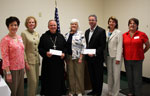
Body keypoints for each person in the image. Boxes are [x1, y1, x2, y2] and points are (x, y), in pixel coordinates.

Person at [38, 20, 66, 96]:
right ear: (48, 27)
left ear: (56, 26)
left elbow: (65, 47)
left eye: (54, 25)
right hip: (48, 62)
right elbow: (40, 48)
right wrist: (45, 53)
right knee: (48, 79)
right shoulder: (44, 36)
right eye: (51, 25)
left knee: (58, 78)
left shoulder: (60, 36)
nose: (53, 27)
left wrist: (64, 53)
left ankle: (59, 92)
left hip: (58, 63)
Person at [123, 18, 150, 96]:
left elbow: (148, 45)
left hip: (138, 60)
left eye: (134, 23)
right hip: (127, 59)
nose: (132, 25)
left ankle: (137, 93)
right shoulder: (124, 35)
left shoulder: (142, 34)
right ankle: (131, 92)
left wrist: (142, 52)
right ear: (128, 25)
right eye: (130, 23)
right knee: (129, 77)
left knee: (137, 78)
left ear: (137, 25)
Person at [0, 16, 25, 96]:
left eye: (16, 25)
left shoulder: (19, 37)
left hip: (21, 68)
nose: (14, 27)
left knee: (20, 91)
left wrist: (23, 66)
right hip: (11, 69)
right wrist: (8, 72)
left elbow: (22, 53)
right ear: (8, 26)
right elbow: (5, 57)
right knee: (12, 91)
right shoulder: (5, 40)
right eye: (12, 25)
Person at [85, 14, 106, 96]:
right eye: (90, 20)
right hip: (89, 58)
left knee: (98, 76)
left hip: (97, 58)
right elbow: (86, 44)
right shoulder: (87, 31)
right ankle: (93, 90)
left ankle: (98, 92)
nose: (91, 21)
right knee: (92, 76)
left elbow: (102, 46)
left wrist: (94, 53)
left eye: (93, 20)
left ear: (96, 21)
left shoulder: (101, 31)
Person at [65, 19, 85, 96]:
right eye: (72, 24)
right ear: (70, 25)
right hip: (69, 57)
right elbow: (65, 46)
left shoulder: (81, 34)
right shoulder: (66, 35)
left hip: (78, 57)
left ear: (77, 25)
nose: (73, 25)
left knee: (79, 74)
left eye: (75, 24)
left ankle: (79, 91)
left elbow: (84, 46)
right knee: (70, 75)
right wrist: (65, 58)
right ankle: (72, 91)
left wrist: (81, 57)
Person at [21, 16, 40, 96]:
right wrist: (25, 62)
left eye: (33, 22)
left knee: (37, 81)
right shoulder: (24, 33)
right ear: (27, 24)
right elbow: (23, 49)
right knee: (32, 82)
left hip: (36, 60)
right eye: (30, 22)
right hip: (29, 61)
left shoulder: (36, 33)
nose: (31, 24)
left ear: (35, 24)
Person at [105, 16, 122, 96]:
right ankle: (110, 91)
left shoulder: (118, 32)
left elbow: (119, 46)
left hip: (115, 57)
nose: (111, 23)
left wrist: (118, 58)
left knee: (116, 76)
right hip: (108, 56)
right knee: (109, 75)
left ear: (116, 23)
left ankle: (115, 93)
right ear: (108, 23)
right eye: (110, 21)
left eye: (113, 22)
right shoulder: (106, 32)